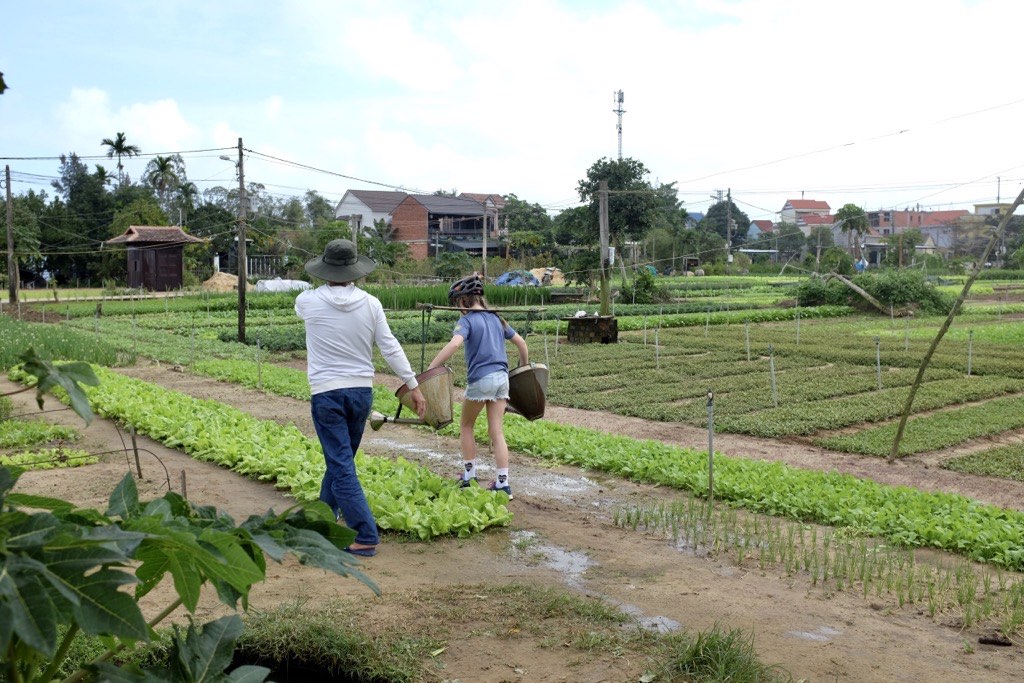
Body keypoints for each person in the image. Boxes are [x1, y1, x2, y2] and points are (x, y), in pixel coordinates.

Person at [295, 239, 425, 557]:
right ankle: (323, 519)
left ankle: (366, 534)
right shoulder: (371, 304)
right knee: (341, 462)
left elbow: (308, 311)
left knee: (340, 465)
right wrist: (413, 385)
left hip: (327, 393)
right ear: (355, 270)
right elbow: (390, 346)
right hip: (360, 393)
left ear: (325, 269)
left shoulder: (306, 301)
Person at [428, 273, 529, 499]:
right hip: (502, 380)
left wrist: (432, 366)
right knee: (496, 431)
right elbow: (521, 342)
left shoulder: (466, 321)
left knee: (466, 425)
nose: (457, 308)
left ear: (463, 300)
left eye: (457, 303)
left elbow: (455, 343)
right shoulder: (497, 319)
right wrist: (523, 369)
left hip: (481, 380)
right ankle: (503, 484)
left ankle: (469, 476)